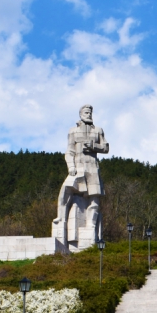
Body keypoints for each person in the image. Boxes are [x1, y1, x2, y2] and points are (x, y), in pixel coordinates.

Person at [54, 105, 109, 248]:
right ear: (80, 114)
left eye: (90, 112)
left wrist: (93, 146)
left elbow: (106, 147)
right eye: (86, 112)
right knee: (65, 190)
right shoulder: (73, 131)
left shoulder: (98, 130)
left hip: (92, 168)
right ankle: (60, 218)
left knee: (94, 198)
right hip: (78, 168)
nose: (89, 114)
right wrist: (70, 166)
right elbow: (69, 151)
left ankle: (91, 225)